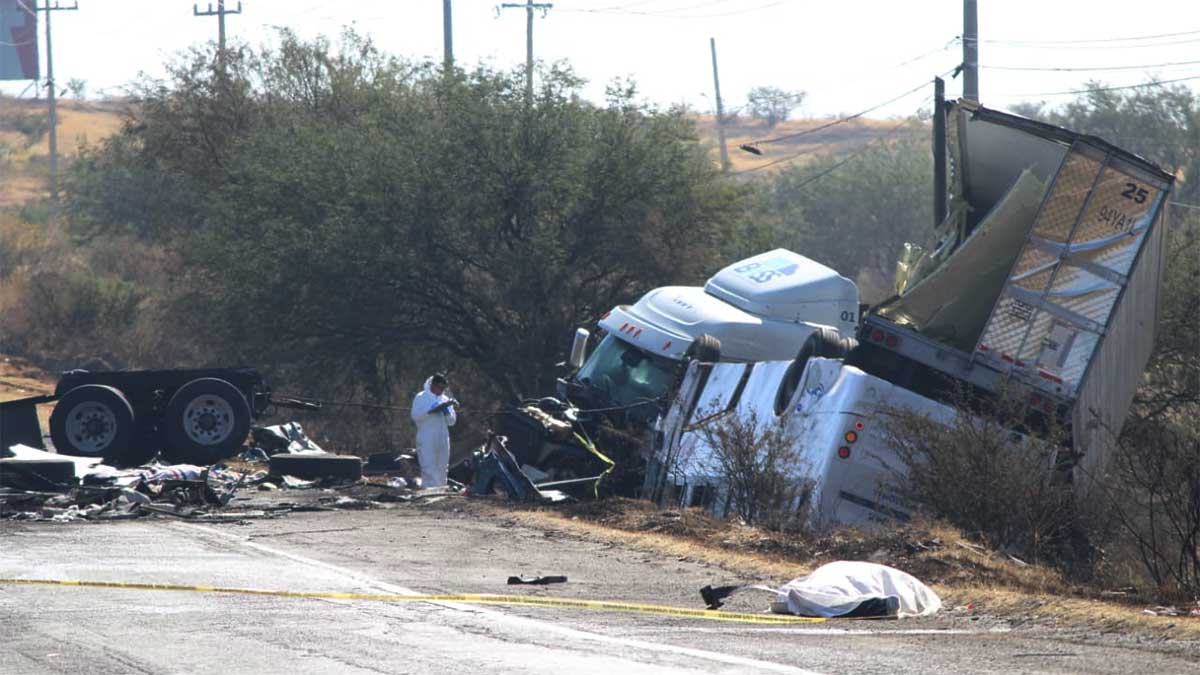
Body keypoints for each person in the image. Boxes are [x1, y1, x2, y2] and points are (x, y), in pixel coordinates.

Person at [411, 373, 458, 488]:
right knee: (428, 464)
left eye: (443, 388)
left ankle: (441, 490)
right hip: (427, 436)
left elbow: (452, 422)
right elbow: (415, 416)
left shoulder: (445, 399)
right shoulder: (421, 397)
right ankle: (429, 489)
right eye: (439, 387)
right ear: (432, 385)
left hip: (443, 437)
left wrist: (446, 411)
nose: (441, 390)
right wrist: (431, 410)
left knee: (442, 465)